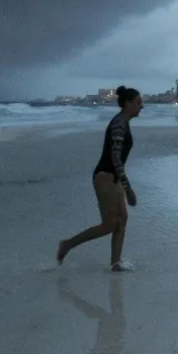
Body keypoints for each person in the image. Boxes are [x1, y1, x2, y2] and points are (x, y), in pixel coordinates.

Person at [57, 86, 142, 272]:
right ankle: (67, 245)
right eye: (137, 102)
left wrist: (122, 183)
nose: (141, 106)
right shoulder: (119, 124)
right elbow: (115, 157)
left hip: (114, 177)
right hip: (104, 176)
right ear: (127, 103)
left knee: (122, 218)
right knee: (109, 224)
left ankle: (115, 263)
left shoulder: (124, 122)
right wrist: (128, 188)